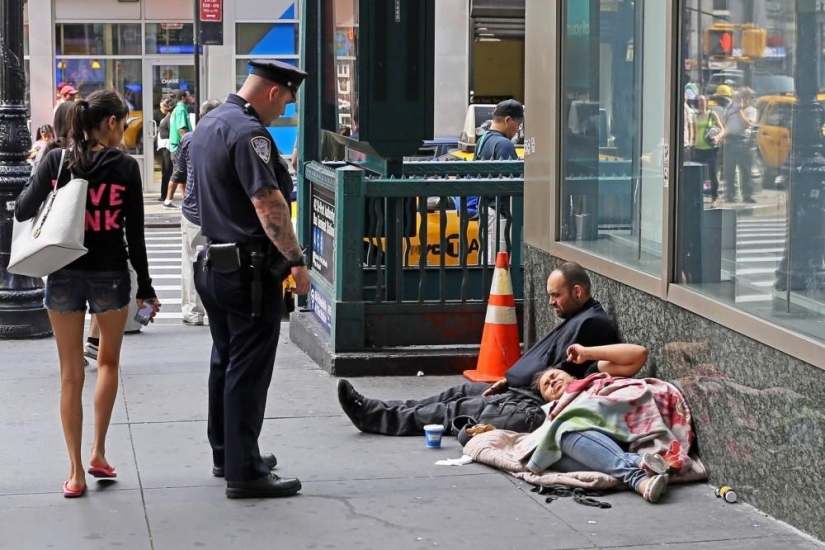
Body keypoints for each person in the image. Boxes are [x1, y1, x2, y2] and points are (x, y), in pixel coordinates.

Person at [14, 90, 160, 498]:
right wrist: (146, 288)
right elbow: (135, 234)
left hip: (63, 272)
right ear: (110, 122)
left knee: (69, 375)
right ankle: (99, 452)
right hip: (110, 274)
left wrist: (45, 180)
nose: (124, 132)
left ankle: (76, 473)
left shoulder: (57, 160)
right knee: (108, 364)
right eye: (124, 124)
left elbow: (23, 209)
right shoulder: (125, 167)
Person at [191, 59, 310, 499]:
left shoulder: (210, 124)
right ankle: (245, 471)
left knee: (225, 359)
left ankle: (228, 452)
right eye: (286, 102)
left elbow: (194, 201)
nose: (283, 111)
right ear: (273, 92)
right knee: (248, 368)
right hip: (249, 269)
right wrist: (295, 259)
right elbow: (268, 203)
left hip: (214, 262)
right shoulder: (249, 133)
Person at [337, 262, 624, 436]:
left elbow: (562, 375)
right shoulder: (578, 317)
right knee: (456, 392)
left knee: (454, 409)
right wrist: (508, 381)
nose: (551, 302)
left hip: (529, 404)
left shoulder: (593, 324)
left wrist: (516, 384)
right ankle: (383, 407)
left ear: (577, 292)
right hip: (518, 390)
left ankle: (373, 417)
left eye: (556, 295)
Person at [527, 343, 672, 504]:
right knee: (552, 452)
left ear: (574, 378)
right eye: (546, 386)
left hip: (625, 423)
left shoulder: (593, 377)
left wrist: (586, 352)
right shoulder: (555, 413)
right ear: (548, 400)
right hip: (597, 443)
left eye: (554, 375)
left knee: (561, 431)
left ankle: (637, 478)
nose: (552, 381)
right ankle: (638, 462)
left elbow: (639, 354)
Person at [171, 98, 223, 326]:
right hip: (219, 212)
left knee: (191, 260)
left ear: (201, 116)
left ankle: (193, 312)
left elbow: (180, 170)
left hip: (193, 211)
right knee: (221, 261)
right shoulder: (225, 138)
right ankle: (218, 310)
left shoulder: (188, 140)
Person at [463, 99, 523, 259]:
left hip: (485, 209)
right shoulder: (504, 144)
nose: (517, 130)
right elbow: (513, 182)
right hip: (500, 214)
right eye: (518, 124)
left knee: (488, 259)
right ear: (508, 120)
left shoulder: (482, 140)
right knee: (500, 262)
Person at [722, 87, 757, 204]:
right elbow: (723, 122)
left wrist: (740, 109)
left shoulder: (751, 110)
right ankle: (730, 195)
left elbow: (746, 124)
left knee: (745, 170)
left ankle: (747, 195)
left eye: (744, 97)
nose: (742, 99)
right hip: (729, 141)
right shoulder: (730, 108)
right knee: (729, 170)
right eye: (740, 96)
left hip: (743, 142)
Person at [692, 95, 725, 208]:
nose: (701, 103)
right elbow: (694, 131)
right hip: (698, 148)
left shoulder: (712, 114)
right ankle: (699, 197)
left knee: (712, 174)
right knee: (698, 175)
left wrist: (718, 137)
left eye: (703, 100)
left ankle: (713, 199)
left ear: (706, 102)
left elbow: (722, 129)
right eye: (699, 101)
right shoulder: (695, 116)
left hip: (711, 149)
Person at [166, 89, 193, 205]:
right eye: (189, 95)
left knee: (182, 174)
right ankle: (168, 200)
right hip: (179, 148)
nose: (191, 97)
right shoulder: (181, 109)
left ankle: (185, 199)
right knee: (177, 174)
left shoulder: (178, 109)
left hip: (178, 147)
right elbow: (182, 129)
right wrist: (188, 144)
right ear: (183, 98)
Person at [156, 98, 175, 204]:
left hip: (168, 147)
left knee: (168, 171)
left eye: (161, 106)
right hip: (165, 147)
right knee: (165, 171)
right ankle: (164, 194)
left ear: (167, 107)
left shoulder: (171, 117)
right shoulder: (167, 117)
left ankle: (166, 195)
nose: (160, 109)